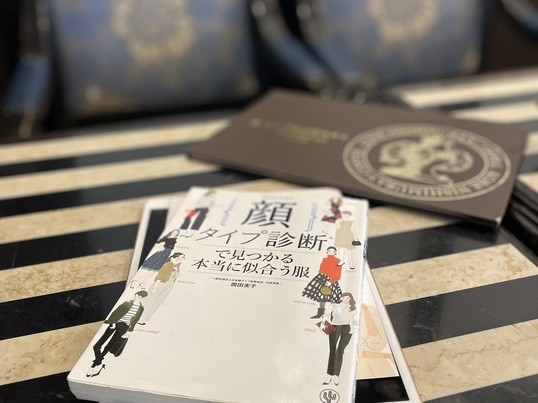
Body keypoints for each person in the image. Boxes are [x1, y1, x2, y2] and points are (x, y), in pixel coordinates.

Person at [87, 290, 148, 377]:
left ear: (141, 298)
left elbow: (135, 320)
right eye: (135, 295)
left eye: (137, 296)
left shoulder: (141, 309)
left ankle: (94, 365)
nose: (135, 297)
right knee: (97, 346)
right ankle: (99, 363)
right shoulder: (127, 304)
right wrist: (113, 322)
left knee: (109, 345)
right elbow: (115, 313)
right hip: (115, 323)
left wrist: (129, 331)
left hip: (124, 326)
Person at [321, 292, 359, 386]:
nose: (346, 299)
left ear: (350, 299)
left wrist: (354, 328)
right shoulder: (334, 305)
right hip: (335, 326)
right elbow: (327, 314)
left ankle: (336, 376)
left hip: (347, 328)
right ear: (341, 298)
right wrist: (323, 322)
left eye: (348, 298)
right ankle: (329, 375)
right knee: (333, 350)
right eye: (344, 298)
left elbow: (355, 319)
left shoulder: (353, 308)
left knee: (340, 351)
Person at [138, 252, 185, 324]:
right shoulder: (168, 264)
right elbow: (160, 276)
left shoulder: (177, 265)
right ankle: (140, 319)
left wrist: (176, 273)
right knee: (149, 301)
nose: (181, 259)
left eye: (183, 258)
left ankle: (145, 319)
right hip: (160, 283)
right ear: (172, 258)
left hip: (169, 284)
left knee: (158, 302)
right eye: (179, 258)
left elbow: (174, 275)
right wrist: (155, 287)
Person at [302, 246, 343, 319]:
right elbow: (322, 269)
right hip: (321, 278)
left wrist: (331, 281)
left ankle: (333, 315)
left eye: (333, 251)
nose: (331, 252)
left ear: (335, 253)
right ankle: (320, 314)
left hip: (331, 280)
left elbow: (337, 273)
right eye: (329, 251)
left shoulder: (338, 260)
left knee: (332, 298)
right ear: (327, 252)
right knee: (322, 297)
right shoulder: (325, 259)